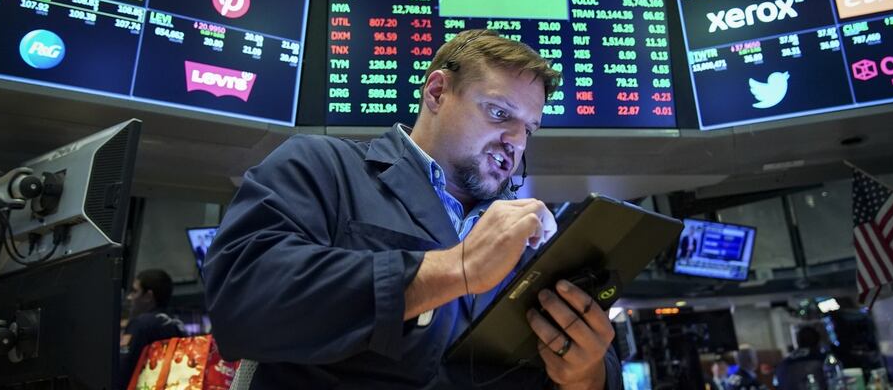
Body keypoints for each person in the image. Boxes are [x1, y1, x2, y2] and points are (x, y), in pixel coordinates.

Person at [205, 30, 622, 389]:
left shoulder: (532, 236)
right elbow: (242, 300)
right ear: (437, 91)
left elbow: (587, 371)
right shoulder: (322, 166)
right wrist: (454, 269)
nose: (516, 141)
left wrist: (584, 375)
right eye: (499, 113)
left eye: (528, 129)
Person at [119, 268, 186, 388]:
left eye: (135, 291)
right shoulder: (177, 326)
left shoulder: (141, 325)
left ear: (148, 296)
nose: (130, 297)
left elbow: (123, 367)